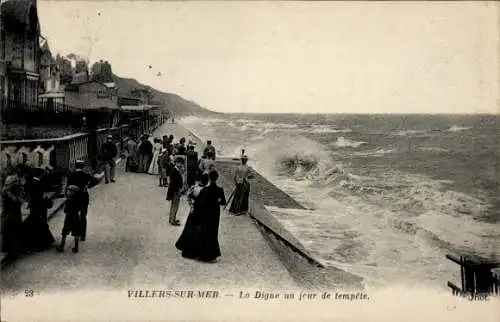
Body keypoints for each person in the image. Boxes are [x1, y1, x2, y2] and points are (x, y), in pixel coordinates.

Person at [175, 173, 209, 259]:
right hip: (202, 213)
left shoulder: (194, 188)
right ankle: (198, 251)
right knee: (200, 231)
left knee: (190, 230)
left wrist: (192, 205)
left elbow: (188, 197)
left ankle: (187, 250)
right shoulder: (207, 190)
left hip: (193, 211)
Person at [195, 170, 226, 263]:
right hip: (215, 213)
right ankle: (212, 255)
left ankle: (202, 254)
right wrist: (217, 202)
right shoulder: (219, 189)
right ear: (217, 178)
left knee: (204, 231)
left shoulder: (205, 189)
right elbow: (223, 202)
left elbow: (198, 201)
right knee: (213, 232)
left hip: (206, 212)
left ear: (209, 178)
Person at [66, 160, 98, 241]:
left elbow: (68, 187)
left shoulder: (71, 175)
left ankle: (75, 233)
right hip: (84, 197)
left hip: (74, 198)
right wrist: (89, 186)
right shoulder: (85, 175)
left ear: (75, 166)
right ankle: (83, 235)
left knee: (75, 215)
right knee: (83, 215)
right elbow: (96, 180)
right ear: (83, 167)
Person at [22, 176, 55, 252]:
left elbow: (31, 198)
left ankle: (38, 244)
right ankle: (43, 243)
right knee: (41, 225)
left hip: (37, 209)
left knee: (36, 226)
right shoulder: (39, 187)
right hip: (40, 209)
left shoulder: (33, 188)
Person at [1, 174, 25, 256]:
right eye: (15, 182)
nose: (17, 183)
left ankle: (13, 249)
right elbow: (16, 200)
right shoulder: (7, 191)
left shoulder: (14, 190)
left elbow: (20, 199)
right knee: (11, 231)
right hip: (10, 213)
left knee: (13, 230)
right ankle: (12, 249)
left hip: (14, 213)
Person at [57, 185, 82, 253]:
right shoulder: (78, 200)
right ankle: (76, 248)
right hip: (76, 217)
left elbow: (65, 210)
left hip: (69, 218)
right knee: (76, 232)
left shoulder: (69, 200)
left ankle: (61, 247)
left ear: (72, 192)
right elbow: (80, 208)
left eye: (69, 191)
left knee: (64, 232)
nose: (67, 192)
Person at [166, 157, 185, 226]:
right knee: (175, 206)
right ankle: (172, 220)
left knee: (173, 205)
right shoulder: (175, 171)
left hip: (174, 190)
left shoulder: (175, 170)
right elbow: (174, 183)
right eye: (180, 164)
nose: (181, 165)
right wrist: (179, 190)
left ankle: (171, 218)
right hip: (176, 191)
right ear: (177, 163)